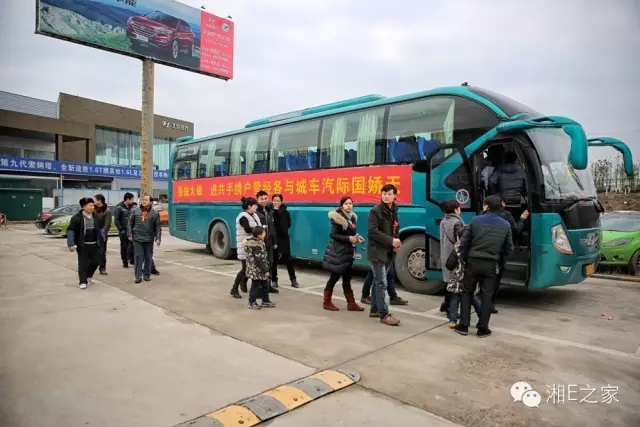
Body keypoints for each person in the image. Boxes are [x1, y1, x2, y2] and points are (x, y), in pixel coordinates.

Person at [455, 195, 514, 338]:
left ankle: (463, 326)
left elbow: (464, 243)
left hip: (472, 263)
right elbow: (509, 248)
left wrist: (465, 259)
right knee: (487, 296)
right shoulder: (505, 225)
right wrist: (500, 263)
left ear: (486, 206)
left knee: (466, 293)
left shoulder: (475, 221)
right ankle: (483, 328)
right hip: (490, 265)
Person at [439, 200, 481, 327]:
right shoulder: (457, 222)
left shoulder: (443, 221)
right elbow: (462, 236)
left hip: (446, 255)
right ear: (456, 210)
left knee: (450, 284)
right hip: (455, 257)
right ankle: (450, 311)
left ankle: (446, 307)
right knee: (456, 287)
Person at [322, 196, 365, 312]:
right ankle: (326, 302)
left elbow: (350, 234)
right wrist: (349, 238)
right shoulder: (338, 219)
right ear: (341, 206)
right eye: (346, 204)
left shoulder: (352, 218)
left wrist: (356, 238)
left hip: (347, 254)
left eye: (350, 203)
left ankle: (351, 303)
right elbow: (333, 235)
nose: (349, 205)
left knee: (347, 278)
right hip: (339, 254)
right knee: (334, 277)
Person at [367, 184, 402, 326]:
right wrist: (391, 240)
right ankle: (384, 314)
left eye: (389, 194)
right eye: (384, 194)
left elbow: (396, 227)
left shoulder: (394, 210)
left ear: (395, 196)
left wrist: (397, 240)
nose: (386, 196)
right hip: (377, 251)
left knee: (377, 281)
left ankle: (374, 309)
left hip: (388, 251)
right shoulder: (375, 211)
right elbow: (372, 232)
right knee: (382, 283)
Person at [491, 200, 529, 313]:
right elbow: (516, 230)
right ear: (502, 204)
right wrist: (522, 218)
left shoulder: (480, 217)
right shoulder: (506, 215)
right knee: (496, 280)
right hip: (500, 253)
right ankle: (490, 304)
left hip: (485, 253)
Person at [66, 197, 104, 289]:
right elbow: (71, 230)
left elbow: (101, 227)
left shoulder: (96, 216)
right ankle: (83, 281)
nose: (92, 208)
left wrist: (102, 237)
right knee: (83, 263)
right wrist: (71, 243)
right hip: (83, 245)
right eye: (90, 206)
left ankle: (89, 275)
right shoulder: (77, 218)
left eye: (93, 206)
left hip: (95, 244)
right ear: (83, 206)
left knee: (96, 261)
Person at [230, 197, 262, 298]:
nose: (256, 206)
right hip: (245, 247)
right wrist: (259, 230)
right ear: (249, 206)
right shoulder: (243, 217)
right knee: (245, 269)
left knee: (250, 269)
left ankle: (243, 283)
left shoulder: (254, 216)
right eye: (255, 205)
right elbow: (248, 229)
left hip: (253, 246)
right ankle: (234, 289)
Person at [127, 194, 162, 283]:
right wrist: (130, 234)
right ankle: (138, 276)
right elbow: (130, 224)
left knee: (148, 258)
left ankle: (147, 275)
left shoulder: (155, 213)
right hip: (137, 238)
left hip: (149, 239)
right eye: (143, 199)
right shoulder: (135, 211)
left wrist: (158, 238)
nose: (144, 201)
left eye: (146, 200)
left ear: (150, 202)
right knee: (138, 258)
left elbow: (157, 227)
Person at [271, 194, 300, 288]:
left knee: (288, 259)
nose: (276, 202)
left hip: (283, 238)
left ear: (281, 202)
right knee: (274, 260)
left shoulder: (285, 212)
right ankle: (274, 280)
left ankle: (293, 279)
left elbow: (289, 224)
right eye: (274, 200)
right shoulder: (270, 211)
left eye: (278, 201)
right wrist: (275, 212)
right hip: (273, 238)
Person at [245, 226, 276, 310]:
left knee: (265, 284)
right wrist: (265, 270)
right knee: (255, 286)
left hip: (260, 269)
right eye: (263, 233)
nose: (265, 234)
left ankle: (265, 301)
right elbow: (258, 260)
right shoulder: (256, 245)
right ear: (259, 235)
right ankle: (252, 302)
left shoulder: (259, 242)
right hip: (257, 270)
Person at [255, 190, 279, 294]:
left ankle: (268, 285)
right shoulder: (256, 212)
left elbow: (272, 227)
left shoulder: (269, 210)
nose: (264, 201)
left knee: (270, 263)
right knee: (260, 265)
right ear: (257, 200)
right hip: (260, 243)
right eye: (261, 199)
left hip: (269, 242)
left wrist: (275, 241)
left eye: (265, 198)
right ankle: (259, 287)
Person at [114, 192, 135, 268]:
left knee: (132, 246)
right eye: (132, 199)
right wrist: (121, 229)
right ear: (127, 199)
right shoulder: (119, 207)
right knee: (124, 246)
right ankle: (125, 262)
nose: (133, 201)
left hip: (131, 230)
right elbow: (116, 220)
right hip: (123, 230)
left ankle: (132, 260)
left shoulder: (132, 207)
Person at [93, 194, 112, 275]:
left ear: (99, 200)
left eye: (94, 199)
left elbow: (107, 223)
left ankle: (102, 267)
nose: (93, 201)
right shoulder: (92, 209)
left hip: (101, 234)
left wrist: (103, 233)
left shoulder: (107, 211)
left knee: (102, 251)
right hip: (92, 233)